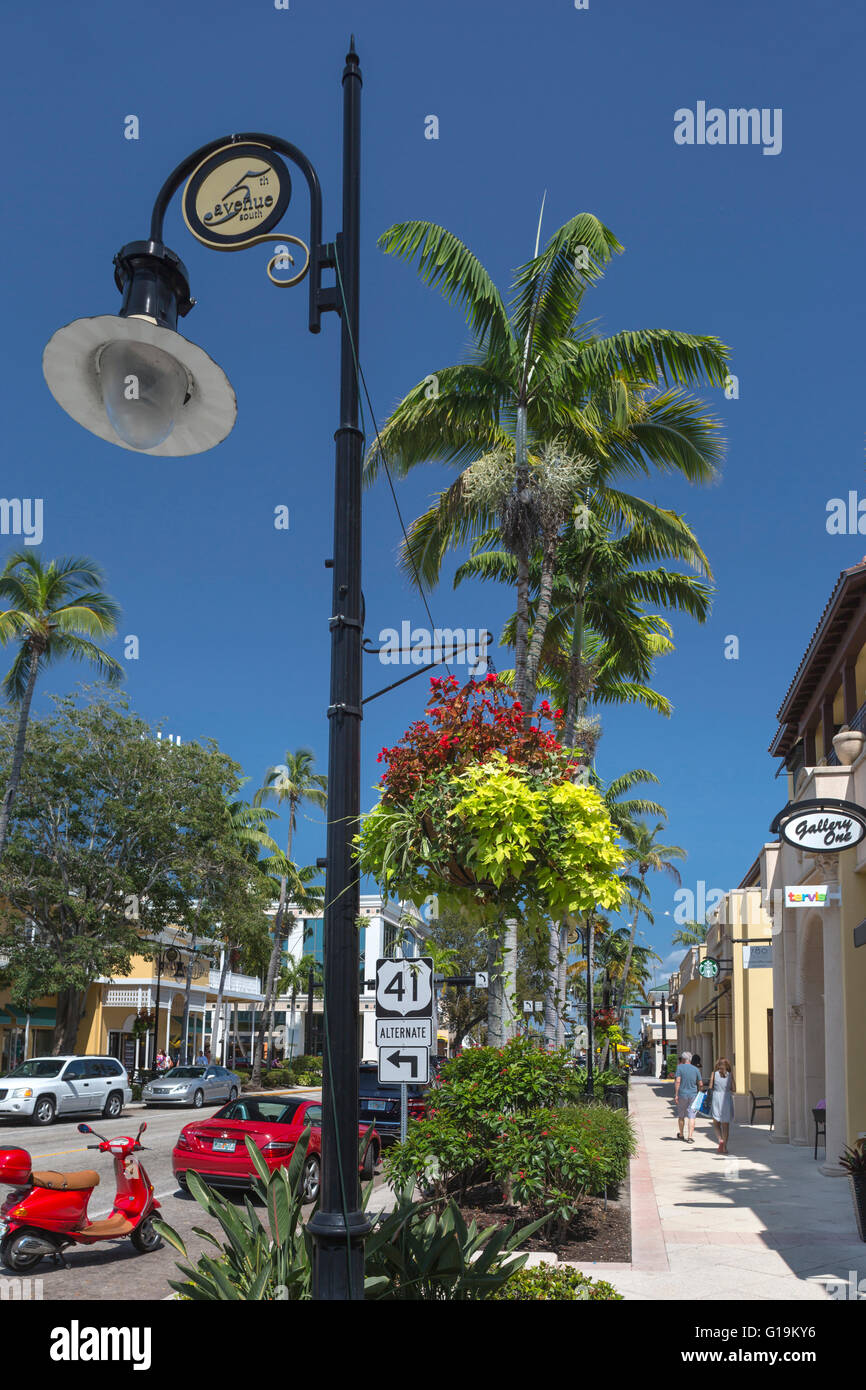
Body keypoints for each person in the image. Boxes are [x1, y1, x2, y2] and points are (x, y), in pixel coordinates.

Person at [673, 1051, 702, 1143]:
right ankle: (690, 1137)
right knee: (692, 1116)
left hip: (682, 1094)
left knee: (681, 1115)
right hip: (693, 1094)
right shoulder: (696, 1069)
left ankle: (681, 1134)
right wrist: (700, 1092)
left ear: (684, 1059)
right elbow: (700, 1083)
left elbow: (678, 1081)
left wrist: (676, 1094)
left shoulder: (679, 1068)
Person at [709, 1058, 735, 1153]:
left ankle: (720, 1139)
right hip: (727, 1098)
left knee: (716, 1123)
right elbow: (734, 1088)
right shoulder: (730, 1075)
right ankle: (725, 1147)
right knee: (725, 1125)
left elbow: (710, 1086)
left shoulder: (714, 1074)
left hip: (717, 1098)